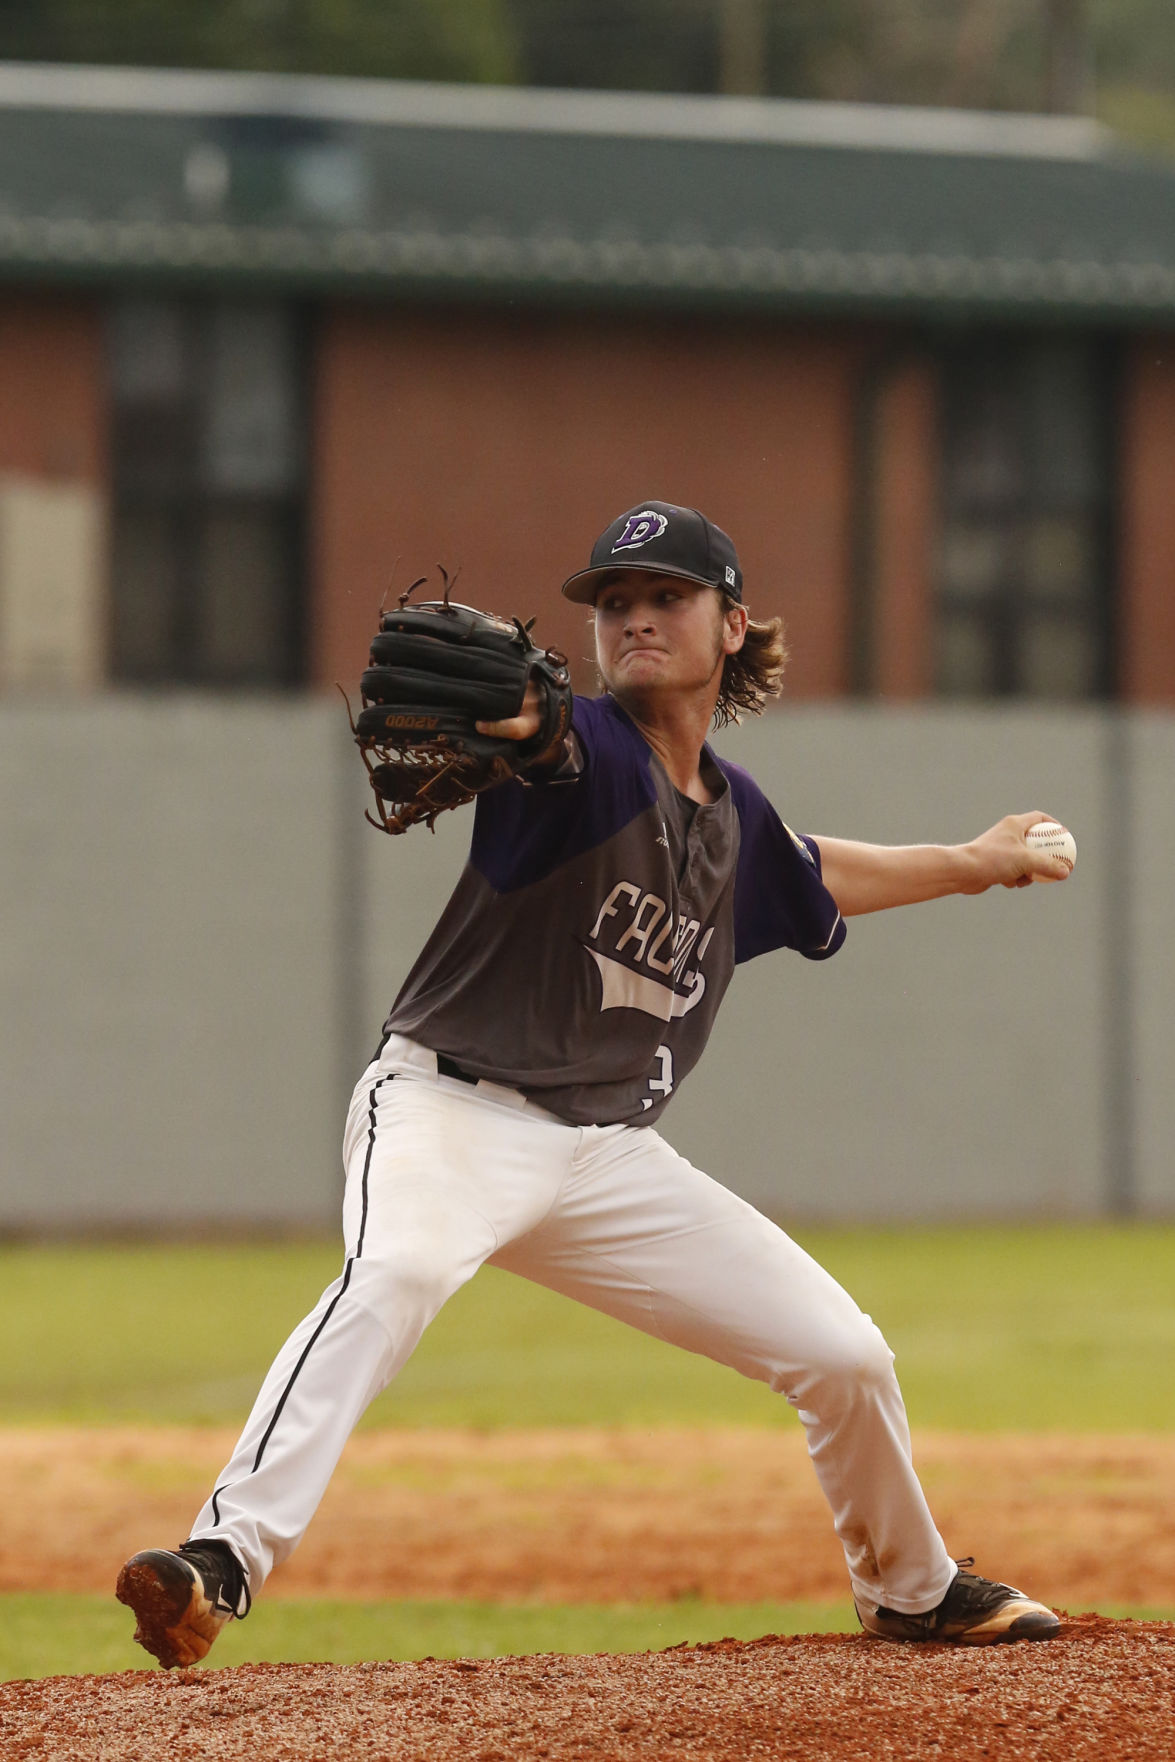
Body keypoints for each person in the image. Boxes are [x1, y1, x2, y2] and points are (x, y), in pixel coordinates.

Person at [117, 499, 1071, 1668]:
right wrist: (515, 711)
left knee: (844, 1356)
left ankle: (911, 1587)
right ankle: (220, 1558)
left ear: (731, 626)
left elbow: (818, 868)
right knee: (400, 1269)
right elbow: (537, 731)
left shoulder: (734, 819)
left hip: (606, 1154)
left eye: (664, 597)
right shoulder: (584, 751)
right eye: (612, 604)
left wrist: (976, 864)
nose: (631, 619)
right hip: (451, 1111)